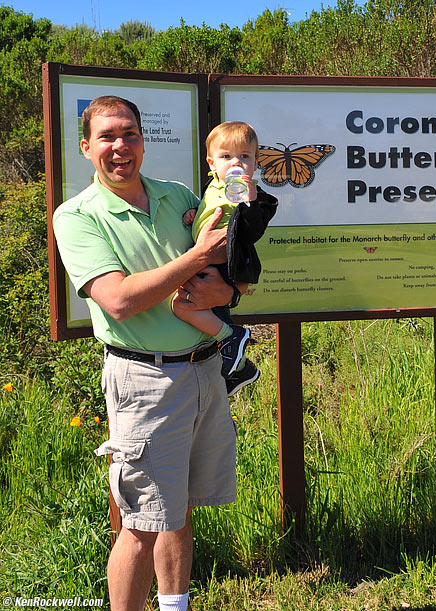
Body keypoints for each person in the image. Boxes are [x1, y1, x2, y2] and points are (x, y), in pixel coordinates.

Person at [52, 96, 241, 611]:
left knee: (177, 512)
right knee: (139, 522)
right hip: (144, 382)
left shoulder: (178, 195)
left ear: (143, 139)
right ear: (86, 147)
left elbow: (222, 277)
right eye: (108, 136)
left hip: (204, 371)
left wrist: (226, 293)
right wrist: (198, 256)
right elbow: (119, 299)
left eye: (130, 134)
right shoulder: (77, 217)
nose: (120, 147)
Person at [173, 121, 277, 396]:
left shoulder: (251, 194)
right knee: (205, 310)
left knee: (183, 307)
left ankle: (232, 337)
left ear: (255, 162)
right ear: (212, 163)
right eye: (226, 156)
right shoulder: (214, 187)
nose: (236, 163)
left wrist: (252, 201)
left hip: (224, 263)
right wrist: (195, 215)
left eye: (245, 157)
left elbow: (252, 230)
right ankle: (240, 368)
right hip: (205, 259)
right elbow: (214, 212)